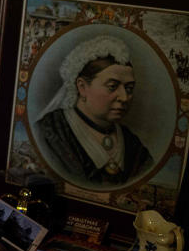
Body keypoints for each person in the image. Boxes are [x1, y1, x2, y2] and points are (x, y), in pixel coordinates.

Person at [35, 35, 153, 185]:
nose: (124, 97)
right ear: (82, 87)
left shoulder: (133, 145)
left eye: (129, 88)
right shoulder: (49, 132)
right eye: (112, 86)